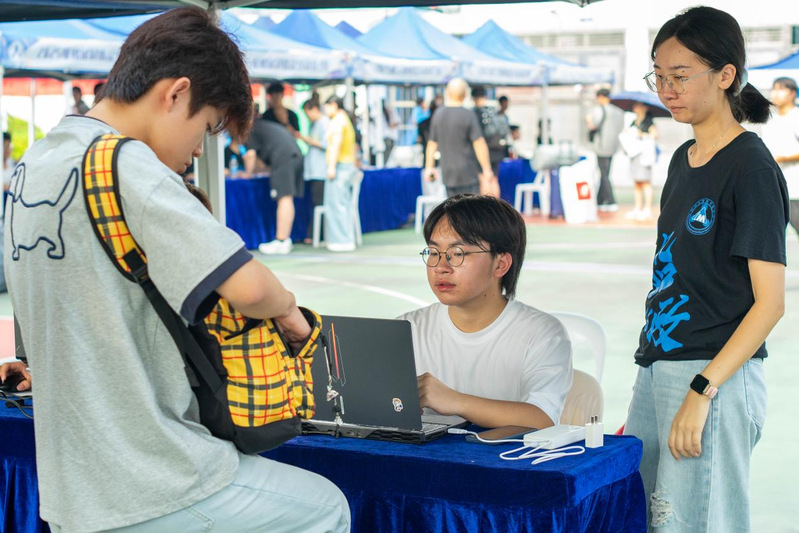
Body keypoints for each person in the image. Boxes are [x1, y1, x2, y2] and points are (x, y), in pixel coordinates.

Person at [1, 8, 349, 532]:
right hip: (154, 476)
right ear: (176, 93)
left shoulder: (36, 163)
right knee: (326, 508)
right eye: (204, 127)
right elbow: (251, 288)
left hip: (72, 488)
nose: (196, 151)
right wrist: (291, 314)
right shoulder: (125, 163)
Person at [624, 7, 788, 532]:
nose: (667, 90)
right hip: (658, 365)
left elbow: (771, 304)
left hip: (712, 374)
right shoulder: (683, 158)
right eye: (659, 76)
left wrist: (701, 389)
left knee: (699, 522)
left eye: (681, 75)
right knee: (649, 517)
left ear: (725, 75)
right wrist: (649, 382)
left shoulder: (751, 167)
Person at [398, 195, 572, 429]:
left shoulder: (542, 334)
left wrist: (454, 401)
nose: (441, 267)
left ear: (500, 264)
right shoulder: (406, 329)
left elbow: (543, 418)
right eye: (433, 252)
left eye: (457, 253)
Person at [424, 79, 496, 198]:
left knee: (452, 206)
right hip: (468, 172)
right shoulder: (468, 114)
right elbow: (479, 143)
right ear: (465, 94)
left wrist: (429, 167)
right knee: (471, 207)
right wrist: (487, 168)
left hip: (448, 173)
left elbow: (432, 143)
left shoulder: (438, 114)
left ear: (448, 92)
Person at [249, 117, 305, 255]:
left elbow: (250, 155)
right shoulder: (266, 126)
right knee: (287, 198)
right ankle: (284, 240)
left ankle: (281, 241)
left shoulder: (251, 129)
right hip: (295, 155)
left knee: (284, 198)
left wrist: (248, 174)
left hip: (283, 157)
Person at [761, 76, 799, 239]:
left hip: (795, 190)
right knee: (773, 238)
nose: (775, 94)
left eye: (781, 89)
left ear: (792, 93)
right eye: (774, 89)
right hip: (774, 188)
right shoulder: (770, 120)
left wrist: (783, 158)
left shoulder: (796, 116)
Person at [323, 96, 358, 252]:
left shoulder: (338, 120)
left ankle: (340, 240)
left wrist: (331, 166)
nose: (325, 111)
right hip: (346, 165)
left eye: (326, 107)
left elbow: (336, 144)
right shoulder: (345, 119)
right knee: (342, 204)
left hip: (339, 166)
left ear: (333, 105)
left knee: (336, 204)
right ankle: (344, 238)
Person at [297, 98, 330, 244]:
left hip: (321, 171)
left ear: (315, 109)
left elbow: (326, 144)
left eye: (307, 113)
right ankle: (316, 234)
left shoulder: (324, 123)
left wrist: (306, 140)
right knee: (315, 203)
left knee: (319, 203)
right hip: (314, 171)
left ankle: (317, 235)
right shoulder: (315, 124)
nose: (307, 116)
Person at [586, 88, 624, 212]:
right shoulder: (618, 110)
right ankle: (600, 200)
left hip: (601, 146)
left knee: (604, 174)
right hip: (613, 146)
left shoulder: (600, 110)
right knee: (606, 173)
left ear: (601, 97)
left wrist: (589, 120)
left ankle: (611, 200)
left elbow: (593, 125)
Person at [625, 102, 658, 221]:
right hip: (634, 154)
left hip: (645, 156)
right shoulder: (633, 122)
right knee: (637, 183)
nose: (636, 108)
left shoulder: (649, 122)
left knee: (645, 182)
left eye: (638, 106)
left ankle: (648, 209)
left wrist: (642, 134)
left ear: (645, 108)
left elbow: (655, 135)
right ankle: (638, 207)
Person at [471, 85, 509, 181]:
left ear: (473, 98)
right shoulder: (493, 111)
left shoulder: (473, 113)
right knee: (494, 179)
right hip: (496, 151)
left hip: (481, 152)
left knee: (483, 179)